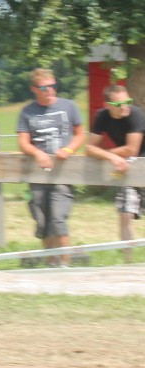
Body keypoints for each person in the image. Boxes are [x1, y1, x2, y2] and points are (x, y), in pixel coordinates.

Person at [16, 68, 86, 267]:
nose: (50, 90)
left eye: (53, 86)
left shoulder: (69, 106)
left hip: (62, 174)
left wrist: (69, 149)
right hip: (37, 175)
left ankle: (65, 264)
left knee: (58, 218)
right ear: (34, 89)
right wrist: (38, 154)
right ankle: (50, 262)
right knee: (43, 220)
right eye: (45, 87)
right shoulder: (27, 111)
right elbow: (23, 142)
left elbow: (80, 134)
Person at [84, 84, 144, 263]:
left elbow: (132, 149)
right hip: (125, 168)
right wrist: (111, 157)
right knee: (125, 213)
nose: (125, 106)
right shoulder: (102, 116)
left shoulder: (136, 114)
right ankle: (129, 261)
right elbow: (88, 148)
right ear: (108, 105)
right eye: (119, 104)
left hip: (141, 163)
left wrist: (108, 155)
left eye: (128, 101)